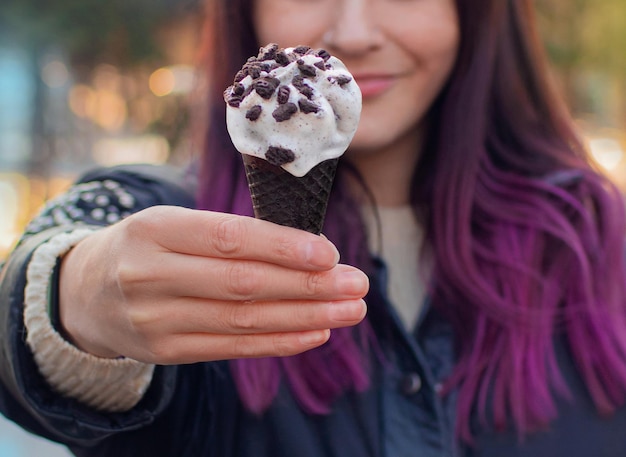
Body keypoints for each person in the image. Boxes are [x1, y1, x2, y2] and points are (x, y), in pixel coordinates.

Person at [1, 0, 626, 455]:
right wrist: (75, 298)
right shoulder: (162, 212)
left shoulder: (598, 236)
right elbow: (43, 269)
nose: (353, 31)